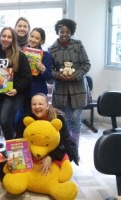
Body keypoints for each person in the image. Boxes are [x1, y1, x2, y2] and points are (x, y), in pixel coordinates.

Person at [48, 18, 91, 151]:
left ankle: (75, 147)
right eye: (62, 31)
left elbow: (87, 64)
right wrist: (58, 75)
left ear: (71, 32)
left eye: (67, 31)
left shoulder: (78, 44)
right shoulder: (52, 49)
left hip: (78, 88)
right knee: (65, 119)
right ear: (58, 32)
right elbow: (50, 70)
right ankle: (68, 147)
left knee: (75, 117)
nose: (64, 34)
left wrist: (75, 75)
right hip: (61, 90)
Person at [0, 27, 31, 140]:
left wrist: (17, 89)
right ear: (0, 37)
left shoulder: (20, 55)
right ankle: (11, 147)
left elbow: (27, 77)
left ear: (13, 39)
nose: (6, 39)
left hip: (13, 94)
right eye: (4, 36)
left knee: (4, 120)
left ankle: (12, 148)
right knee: (2, 120)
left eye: (9, 37)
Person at [16, 93, 79, 175]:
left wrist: (51, 157)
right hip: (36, 150)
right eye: (34, 104)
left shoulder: (59, 118)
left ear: (47, 106)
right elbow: (19, 138)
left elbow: (65, 142)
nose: (37, 107)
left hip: (57, 149)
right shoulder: (27, 119)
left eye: (40, 104)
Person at [20, 28, 53, 125]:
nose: (33, 39)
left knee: (40, 118)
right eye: (32, 36)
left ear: (41, 41)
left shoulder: (46, 55)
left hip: (39, 91)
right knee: (25, 118)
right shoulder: (22, 52)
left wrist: (42, 68)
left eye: (37, 38)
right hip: (24, 91)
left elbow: (49, 77)